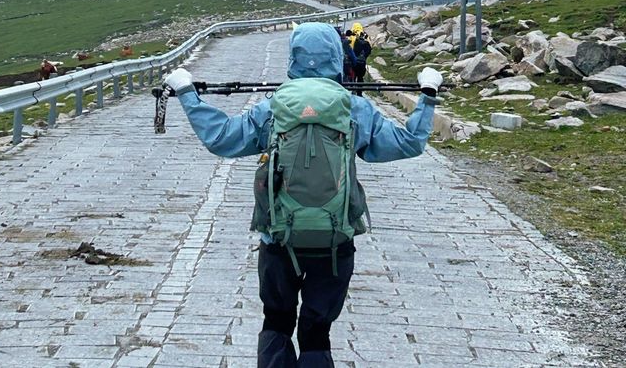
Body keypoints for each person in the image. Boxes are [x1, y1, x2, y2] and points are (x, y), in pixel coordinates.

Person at [165, 21, 441, 368]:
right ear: (336, 57)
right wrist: (428, 94)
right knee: (317, 332)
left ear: (293, 57)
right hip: (336, 239)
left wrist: (187, 93)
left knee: (277, 322)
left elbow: (222, 137)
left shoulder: (275, 107)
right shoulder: (355, 109)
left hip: (279, 237)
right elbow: (409, 143)